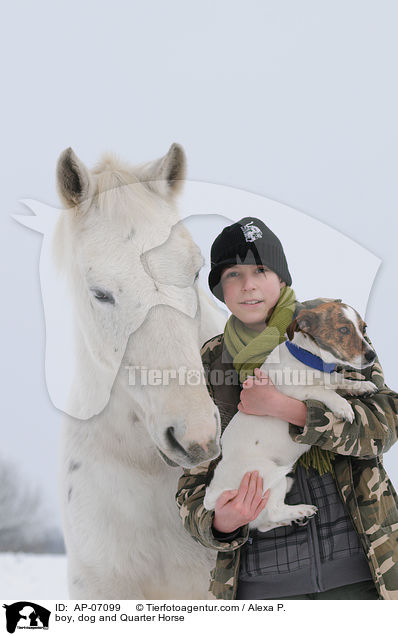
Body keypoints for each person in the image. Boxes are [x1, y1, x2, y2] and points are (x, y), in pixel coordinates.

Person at [176, 217, 398, 600]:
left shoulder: (335, 330)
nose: (248, 285)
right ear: (219, 290)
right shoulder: (208, 365)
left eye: (260, 270)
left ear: (281, 279)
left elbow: (384, 426)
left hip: (363, 575)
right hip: (261, 590)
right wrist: (220, 522)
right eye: (233, 274)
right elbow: (192, 481)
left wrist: (290, 410)